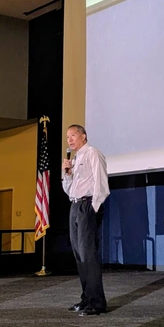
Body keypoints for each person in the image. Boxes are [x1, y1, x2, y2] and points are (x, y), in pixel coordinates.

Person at [62, 124, 110, 316]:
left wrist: (94, 208)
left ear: (83, 136)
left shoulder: (93, 153)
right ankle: (86, 298)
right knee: (79, 254)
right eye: (67, 137)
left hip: (88, 206)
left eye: (73, 135)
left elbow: (101, 182)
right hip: (74, 205)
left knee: (88, 254)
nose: (70, 140)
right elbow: (68, 189)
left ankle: (97, 303)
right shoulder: (74, 159)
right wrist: (66, 174)